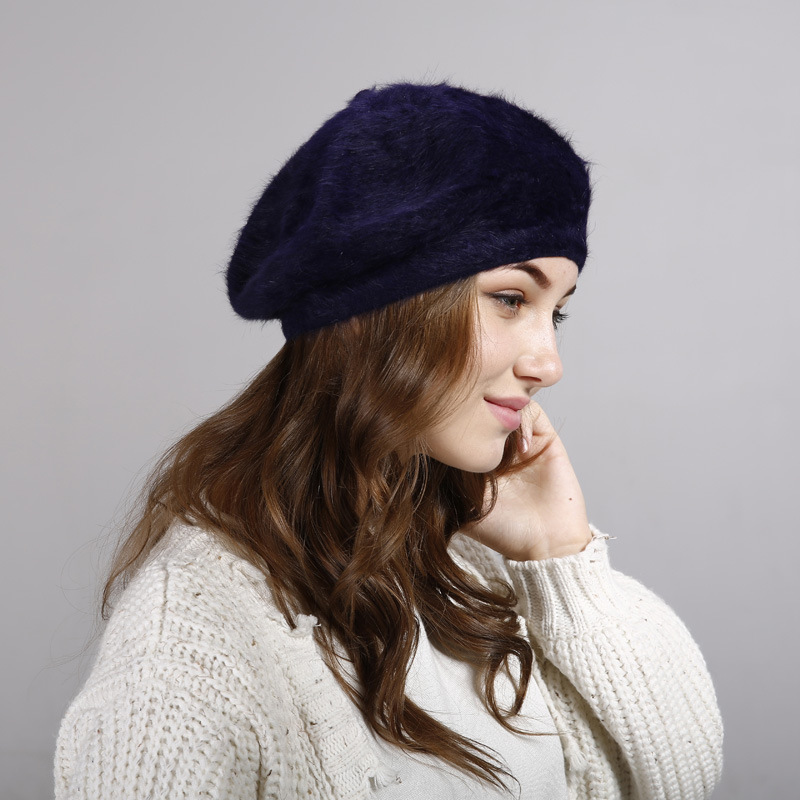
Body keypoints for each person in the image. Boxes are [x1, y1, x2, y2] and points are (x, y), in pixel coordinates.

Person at [54, 82, 723, 799]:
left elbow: (679, 778)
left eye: (555, 313)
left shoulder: (471, 560)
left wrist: (558, 556)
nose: (549, 364)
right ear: (375, 309)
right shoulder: (193, 636)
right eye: (510, 299)